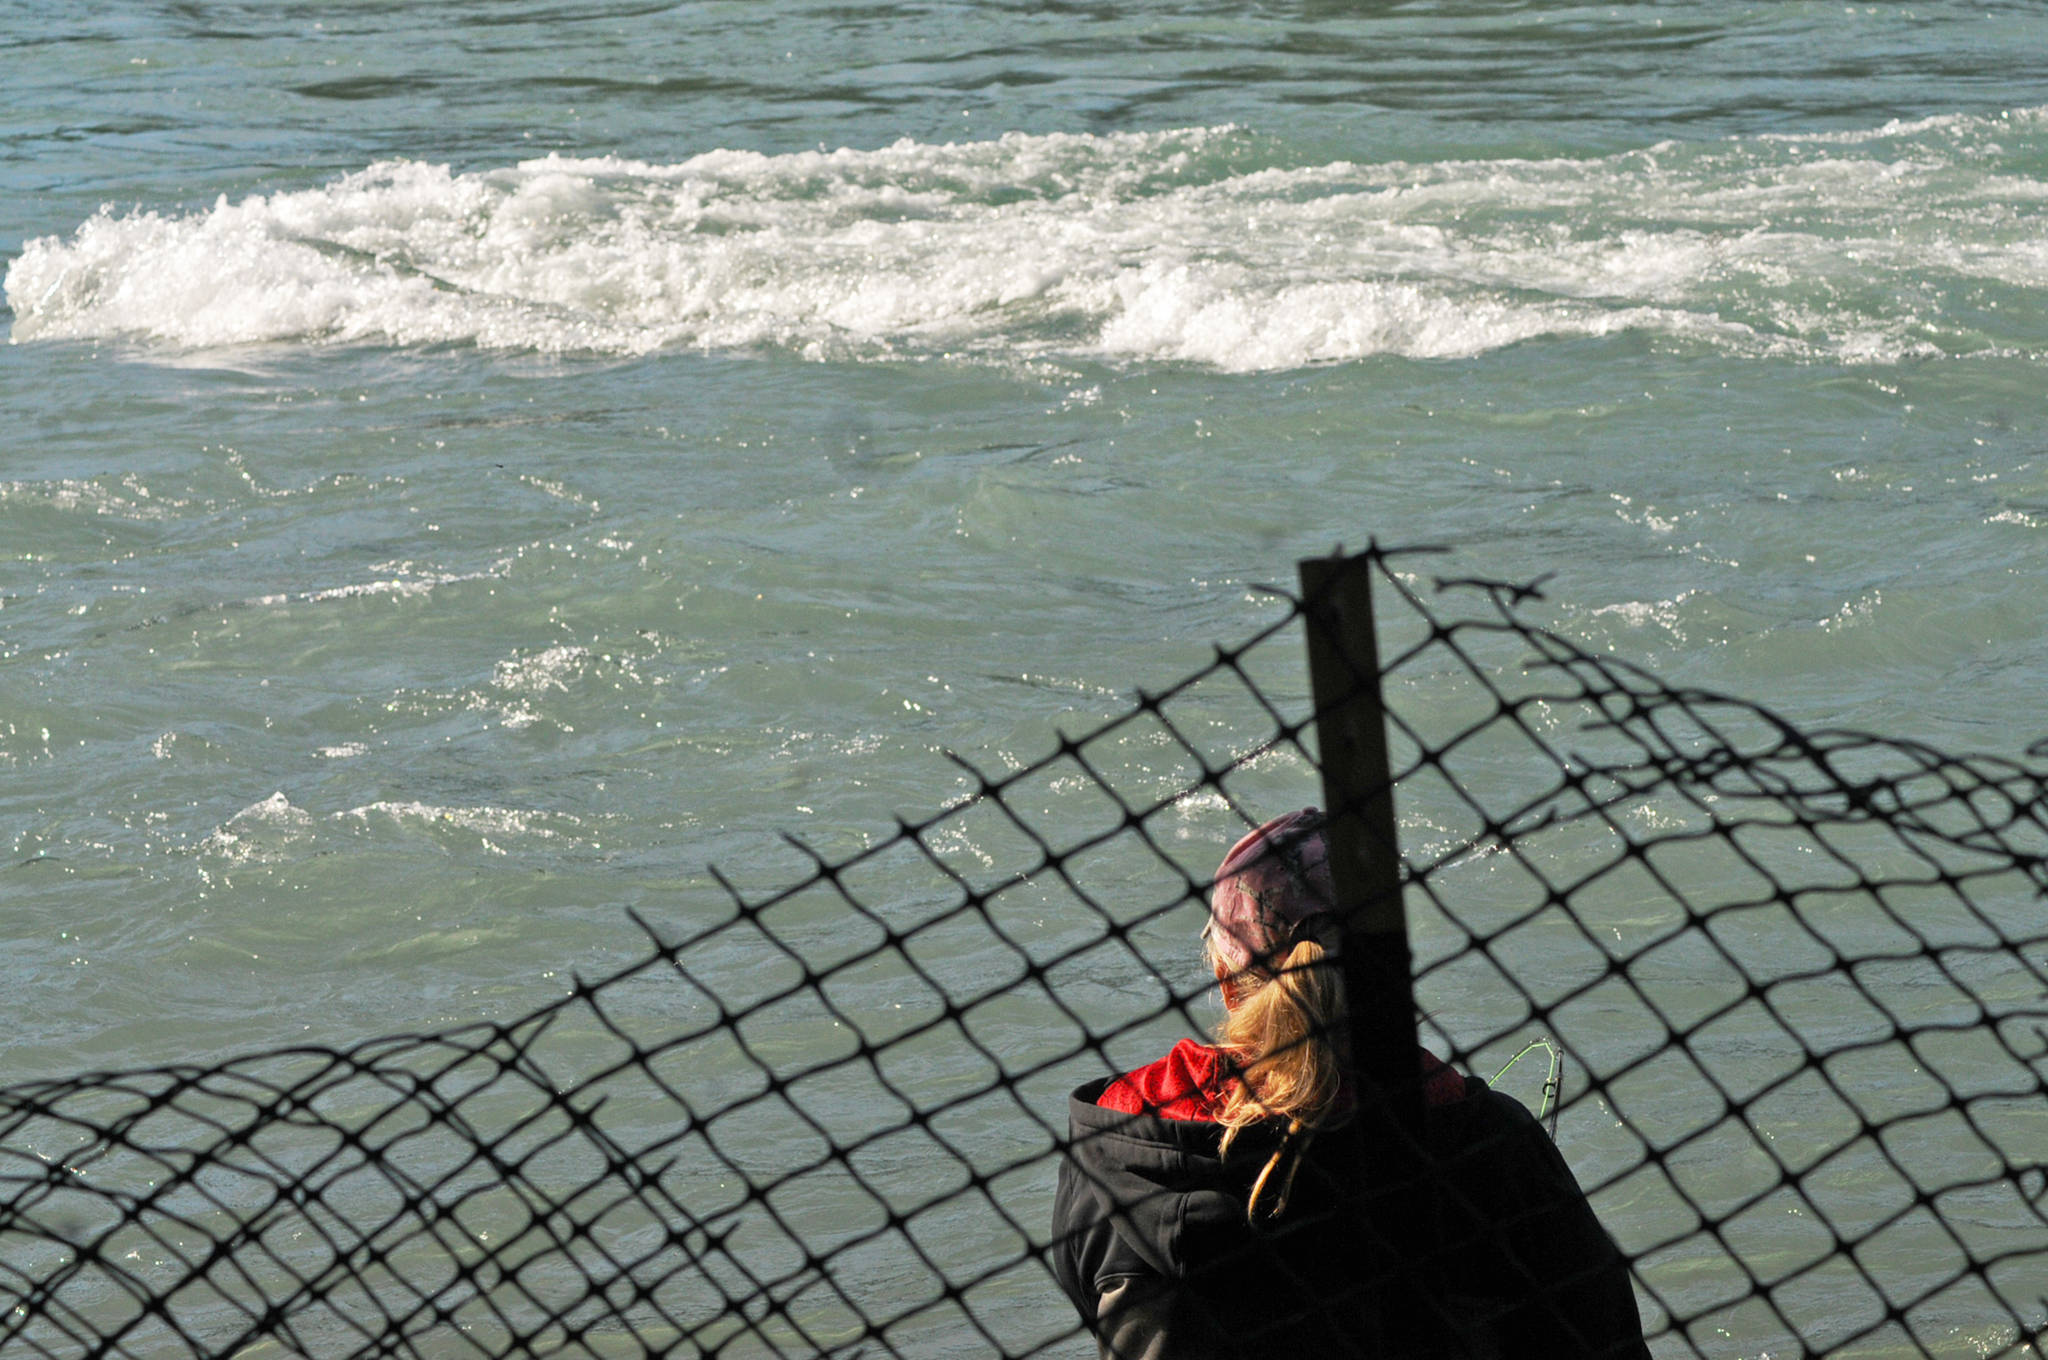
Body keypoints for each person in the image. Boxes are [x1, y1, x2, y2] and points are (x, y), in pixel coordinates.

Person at [1050, 808, 1651, 1359]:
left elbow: (1087, 1289)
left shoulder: (1119, 1145)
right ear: (1391, 963)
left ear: (1224, 971)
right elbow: (1604, 1341)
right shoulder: (1487, 1143)